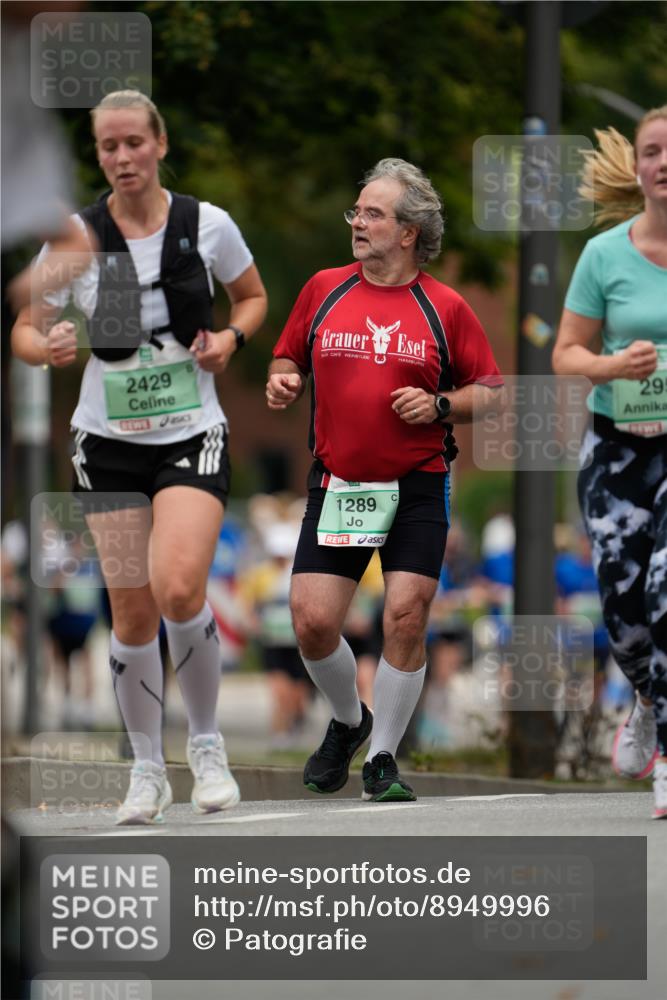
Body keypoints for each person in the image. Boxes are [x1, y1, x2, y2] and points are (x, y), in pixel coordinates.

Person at [11, 90, 267, 824]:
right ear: (98, 157)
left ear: (159, 144)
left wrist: (230, 341)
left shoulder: (205, 225)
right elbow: (26, 327)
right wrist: (47, 346)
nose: (122, 158)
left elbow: (251, 298)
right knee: (130, 611)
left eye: (134, 143)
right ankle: (146, 771)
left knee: (180, 587)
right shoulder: (75, 240)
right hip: (106, 442)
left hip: (190, 430)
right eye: (107, 147)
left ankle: (208, 747)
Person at [266, 157, 502, 802]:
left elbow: (492, 390)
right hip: (340, 484)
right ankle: (349, 721)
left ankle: (384, 758)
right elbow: (288, 352)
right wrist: (283, 377)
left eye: (373, 213)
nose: (358, 223)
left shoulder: (444, 307)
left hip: (418, 481)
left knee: (406, 611)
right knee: (313, 622)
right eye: (357, 211)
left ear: (408, 232)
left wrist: (441, 405)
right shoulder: (324, 289)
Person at [552, 106, 667, 819]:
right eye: (652, 151)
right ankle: (647, 699)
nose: (664, 163)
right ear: (638, 168)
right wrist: (611, 365)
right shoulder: (603, 254)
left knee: (665, 592)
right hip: (617, 447)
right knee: (624, 612)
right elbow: (565, 354)